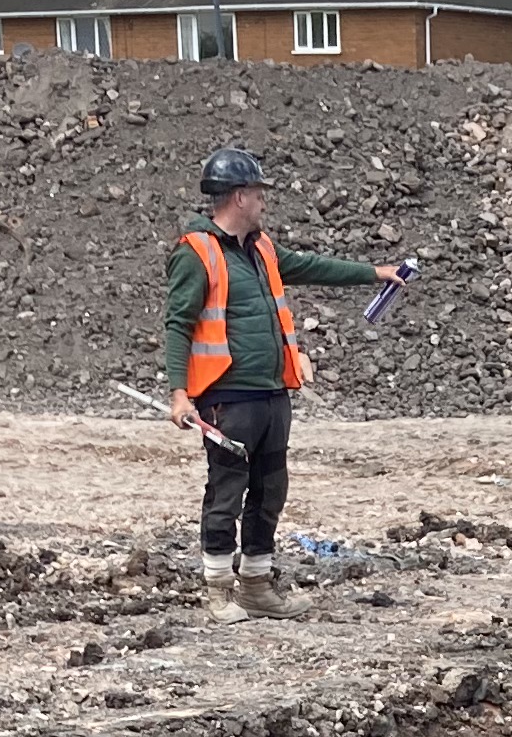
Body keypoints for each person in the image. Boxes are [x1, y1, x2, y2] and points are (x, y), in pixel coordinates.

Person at [161, 146, 399, 617]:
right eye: (258, 192)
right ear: (239, 197)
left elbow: (313, 267)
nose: (264, 201)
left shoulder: (262, 248)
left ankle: (255, 585)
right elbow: (178, 324)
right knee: (226, 491)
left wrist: (375, 273)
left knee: (270, 490)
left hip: (271, 393)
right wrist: (179, 395)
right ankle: (217, 590)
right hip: (226, 397)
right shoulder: (196, 253)